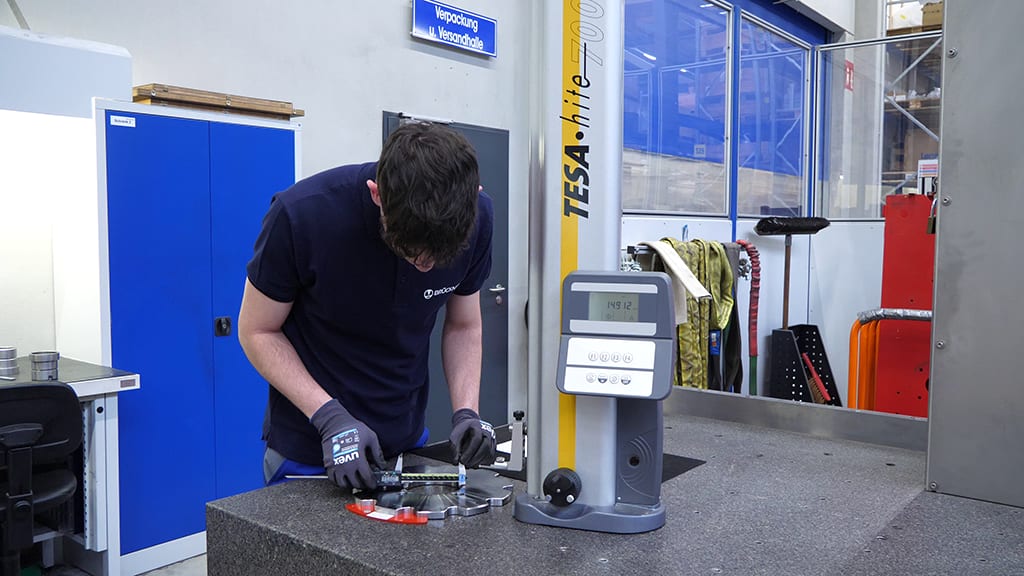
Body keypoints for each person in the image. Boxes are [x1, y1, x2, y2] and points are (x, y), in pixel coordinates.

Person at [238, 121, 497, 491]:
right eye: (410, 251)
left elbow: (464, 324)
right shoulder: (301, 215)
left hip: (404, 444)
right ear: (376, 195)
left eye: (436, 258)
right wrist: (329, 418)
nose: (423, 265)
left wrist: (466, 411)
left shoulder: (479, 217)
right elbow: (257, 330)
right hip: (310, 451)